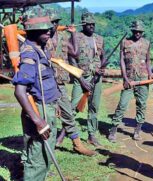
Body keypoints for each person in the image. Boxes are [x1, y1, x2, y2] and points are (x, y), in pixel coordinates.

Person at [12, 8, 61, 180]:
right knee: (38, 160)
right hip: (39, 111)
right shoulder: (30, 55)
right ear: (33, 31)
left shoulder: (40, 49)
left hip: (47, 108)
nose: (49, 31)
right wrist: (38, 121)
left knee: (44, 158)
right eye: (44, 29)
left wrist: (54, 104)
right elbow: (19, 91)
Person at [46, 9, 97, 156]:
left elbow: (74, 52)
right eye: (52, 22)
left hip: (60, 83)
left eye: (56, 22)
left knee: (68, 114)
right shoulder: (43, 37)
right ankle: (47, 148)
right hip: (46, 83)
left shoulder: (63, 36)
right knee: (47, 116)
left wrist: (73, 34)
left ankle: (78, 145)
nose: (54, 25)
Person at [108, 20, 153, 142]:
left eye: (140, 31)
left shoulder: (146, 43)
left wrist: (150, 73)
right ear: (132, 30)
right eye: (135, 31)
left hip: (143, 78)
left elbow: (148, 60)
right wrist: (125, 78)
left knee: (141, 104)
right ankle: (113, 130)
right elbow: (122, 60)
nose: (137, 33)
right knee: (123, 104)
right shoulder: (125, 42)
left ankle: (137, 130)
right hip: (129, 78)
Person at [70, 12, 106, 148]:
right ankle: (65, 133)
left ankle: (91, 136)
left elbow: (103, 56)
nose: (91, 26)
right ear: (83, 25)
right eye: (88, 24)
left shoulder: (99, 39)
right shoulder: (76, 37)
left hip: (96, 77)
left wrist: (102, 68)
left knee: (94, 107)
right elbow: (72, 58)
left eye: (93, 24)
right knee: (73, 107)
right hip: (81, 76)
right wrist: (80, 78)